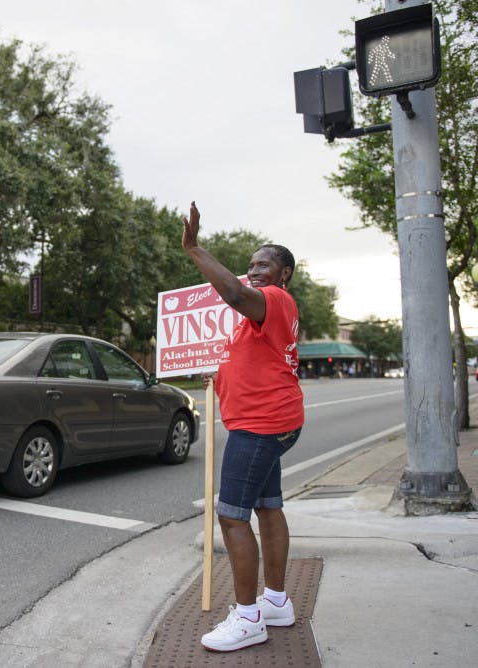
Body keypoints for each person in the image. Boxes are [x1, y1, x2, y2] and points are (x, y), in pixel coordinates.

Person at [181, 201, 305, 653]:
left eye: (265, 264)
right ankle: (276, 602)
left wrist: (194, 248)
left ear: (284, 273)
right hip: (271, 423)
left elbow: (232, 293)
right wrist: (221, 374)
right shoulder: (264, 310)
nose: (254, 270)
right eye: (251, 264)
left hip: (260, 427)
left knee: (231, 515)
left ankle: (249, 618)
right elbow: (255, 358)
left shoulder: (271, 299)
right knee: (268, 508)